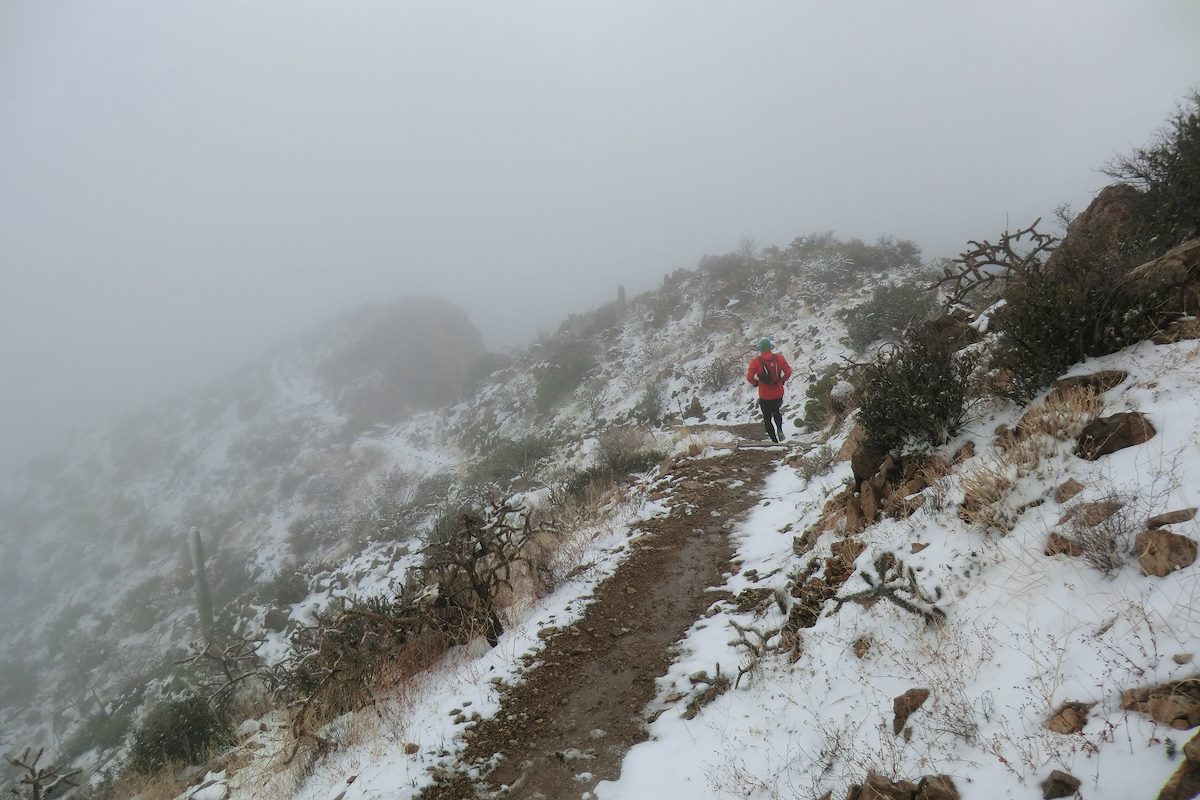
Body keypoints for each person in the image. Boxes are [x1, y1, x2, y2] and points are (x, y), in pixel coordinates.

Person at [746, 338, 793, 443]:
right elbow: (788, 372)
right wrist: (782, 381)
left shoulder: (755, 361)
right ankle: (780, 430)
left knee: (767, 418)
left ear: (760, 349)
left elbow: (749, 377)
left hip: (765, 395)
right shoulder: (779, 358)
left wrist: (756, 383)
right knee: (776, 411)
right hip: (778, 393)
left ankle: (774, 441)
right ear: (770, 348)